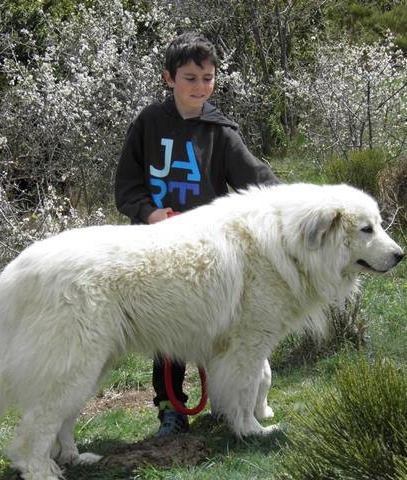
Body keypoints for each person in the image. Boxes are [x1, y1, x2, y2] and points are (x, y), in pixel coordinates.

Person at [114, 32, 280, 437]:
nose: (200, 87)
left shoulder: (221, 133)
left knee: (215, 331)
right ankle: (172, 410)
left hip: (208, 257)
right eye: (190, 78)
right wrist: (151, 214)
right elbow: (127, 185)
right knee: (167, 338)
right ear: (169, 78)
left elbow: (257, 180)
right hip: (155, 248)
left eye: (208, 78)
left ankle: (227, 406)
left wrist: (296, 205)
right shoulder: (148, 123)